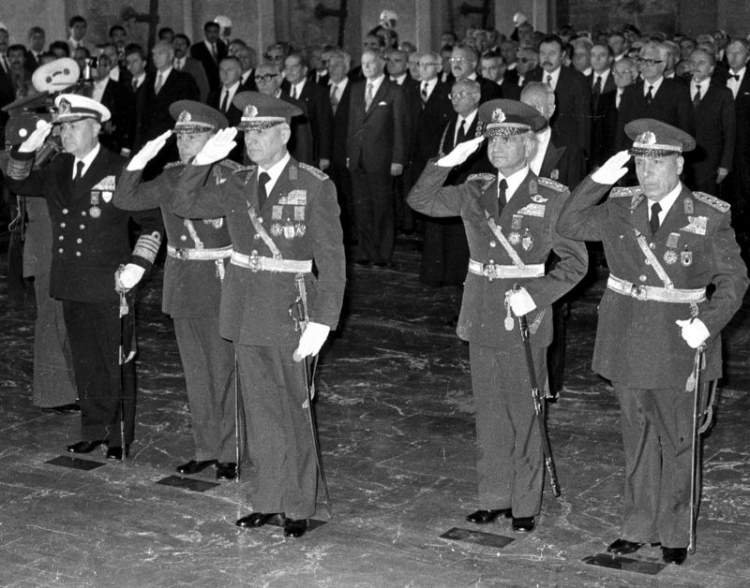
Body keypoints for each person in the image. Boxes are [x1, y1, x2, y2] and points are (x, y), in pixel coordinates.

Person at [557, 119, 748, 565]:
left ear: (678, 165)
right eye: (641, 161)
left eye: (657, 161)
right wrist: (599, 180)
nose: (647, 171)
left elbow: (734, 281)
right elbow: (568, 223)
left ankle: (674, 533)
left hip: (679, 345)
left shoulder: (708, 215)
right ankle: (637, 527)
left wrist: (708, 324)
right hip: (626, 341)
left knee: (679, 441)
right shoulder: (620, 206)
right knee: (637, 438)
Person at [171, 92, 346, 538]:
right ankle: (267, 500)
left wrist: (323, 320)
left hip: (291, 311)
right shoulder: (237, 181)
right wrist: (201, 162)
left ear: (284, 133)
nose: (252, 139)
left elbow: (333, 260)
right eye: (247, 131)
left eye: (261, 131)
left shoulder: (314, 184)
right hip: (245, 310)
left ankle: (299, 504)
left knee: (293, 410)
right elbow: (185, 203)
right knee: (259, 410)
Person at [407, 99, 587, 533]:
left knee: (524, 413)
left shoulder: (553, 197)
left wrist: (537, 295)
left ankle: (524, 503)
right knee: (488, 412)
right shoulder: (475, 189)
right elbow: (420, 199)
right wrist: (446, 162)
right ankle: (494, 497)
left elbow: (576, 263)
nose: (498, 146)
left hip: (525, 316)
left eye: (509, 138)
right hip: (481, 312)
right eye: (493, 138)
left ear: (529, 144)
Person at [5, 94, 163, 459]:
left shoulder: (120, 168)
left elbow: (151, 223)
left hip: (109, 282)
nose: (66, 134)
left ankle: (118, 437)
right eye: (62, 128)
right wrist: (26, 150)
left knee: (114, 361)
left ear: (96, 128)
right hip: (71, 279)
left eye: (74, 127)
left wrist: (138, 265)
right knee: (85, 360)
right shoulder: (59, 167)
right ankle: (93, 428)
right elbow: (18, 183)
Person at [113, 101, 237, 480]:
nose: (183, 142)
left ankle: (230, 451)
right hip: (183, 283)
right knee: (196, 373)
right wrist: (138, 162)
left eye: (193, 135)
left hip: (219, 283)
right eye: (180, 136)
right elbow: (125, 199)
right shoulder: (171, 176)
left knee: (224, 372)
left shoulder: (230, 176)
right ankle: (206, 449)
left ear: (214, 138)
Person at [346, 48, 406, 266]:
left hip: (382, 160)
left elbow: (400, 127)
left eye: (371, 62)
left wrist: (398, 159)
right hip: (358, 158)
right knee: (362, 208)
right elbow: (352, 124)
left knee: (382, 207)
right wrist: (349, 154)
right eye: (364, 63)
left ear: (382, 63)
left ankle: (382, 253)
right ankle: (365, 251)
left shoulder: (394, 91)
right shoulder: (356, 88)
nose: (367, 67)